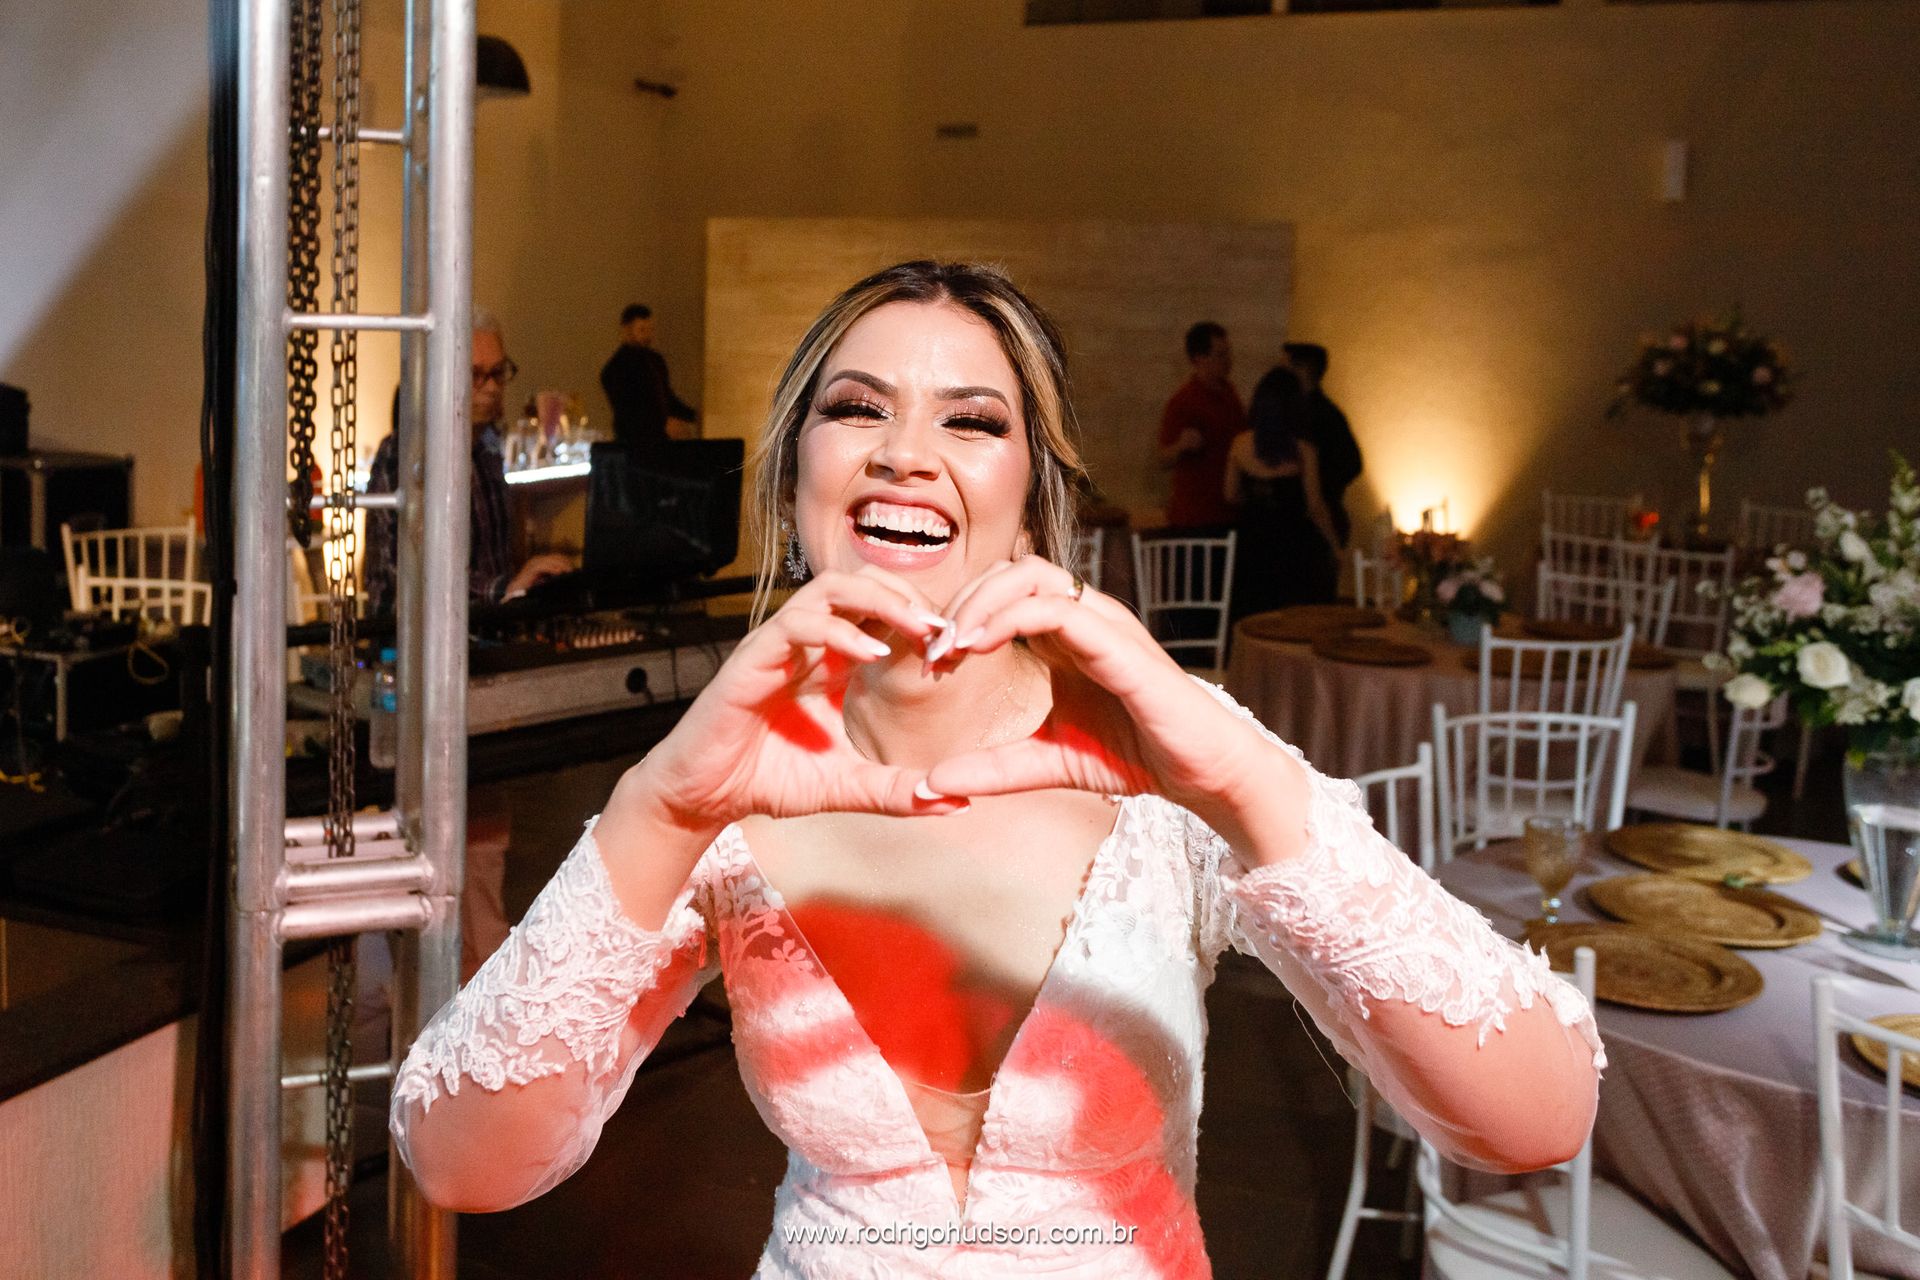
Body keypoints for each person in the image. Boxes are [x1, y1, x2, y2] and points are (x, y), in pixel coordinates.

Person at [390, 262, 1602, 1277]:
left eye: (972, 421)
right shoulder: (726, 777)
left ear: (1031, 503)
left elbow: (1536, 1118)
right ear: (797, 479)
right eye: (856, 409)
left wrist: (1238, 776)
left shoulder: (1165, 759)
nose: (905, 453)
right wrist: (659, 809)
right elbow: (463, 1166)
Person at [364, 310, 572, 978]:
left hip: (477, 664)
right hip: (419, 672)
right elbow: (407, 583)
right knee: (454, 860)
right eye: (476, 375)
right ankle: (462, 1012)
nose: (491, 388)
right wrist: (507, 587)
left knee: (485, 853)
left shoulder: (486, 450)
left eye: (497, 373)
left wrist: (525, 582)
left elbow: (488, 557)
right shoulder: (406, 454)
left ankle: (482, 1002)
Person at [1223, 365, 1341, 618]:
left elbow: (1230, 494)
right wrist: (1335, 545)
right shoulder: (1304, 450)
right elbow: (1315, 506)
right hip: (1292, 548)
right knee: (1294, 619)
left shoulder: (1239, 445)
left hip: (1252, 544)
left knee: (1253, 617)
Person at [1156, 321, 1244, 529]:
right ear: (1199, 358)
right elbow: (1163, 457)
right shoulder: (1184, 401)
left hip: (1228, 513)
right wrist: (1181, 446)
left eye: (1228, 354)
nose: (1228, 361)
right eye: (1220, 355)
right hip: (1195, 517)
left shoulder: (1231, 395)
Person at [1282, 341, 1363, 549]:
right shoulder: (1330, 413)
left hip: (1309, 522)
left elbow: (1351, 463)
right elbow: (1353, 463)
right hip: (1323, 513)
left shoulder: (1306, 415)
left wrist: (1319, 486)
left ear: (1302, 369)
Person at [600, 302, 699, 448]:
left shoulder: (655, 361)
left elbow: (666, 397)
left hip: (660, 441)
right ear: (626, 330)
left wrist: (692, 416)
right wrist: (664, 423)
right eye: (642, 330)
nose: (647, 335)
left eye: (650, 329)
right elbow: (628, 411)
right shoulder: (615, 370)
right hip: (634, 445)